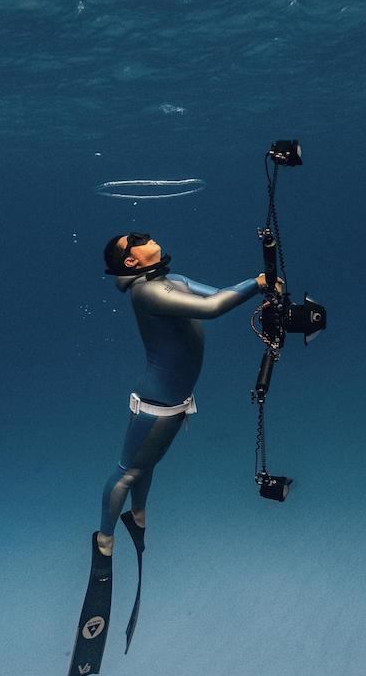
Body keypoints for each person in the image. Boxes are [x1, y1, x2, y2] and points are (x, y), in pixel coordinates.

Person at [96, 232, 277, 556]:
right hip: (154, 406)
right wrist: (256, 283)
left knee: (146, 464)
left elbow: (221, 294)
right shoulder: (145, 292)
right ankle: (104, 541)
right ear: (130, 261)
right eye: (137, 239)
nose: (147, 237)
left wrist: (260, 284)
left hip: (176, 403)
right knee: (128, 473)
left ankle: (137, 516)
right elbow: (211, 308)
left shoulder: (172, 279)